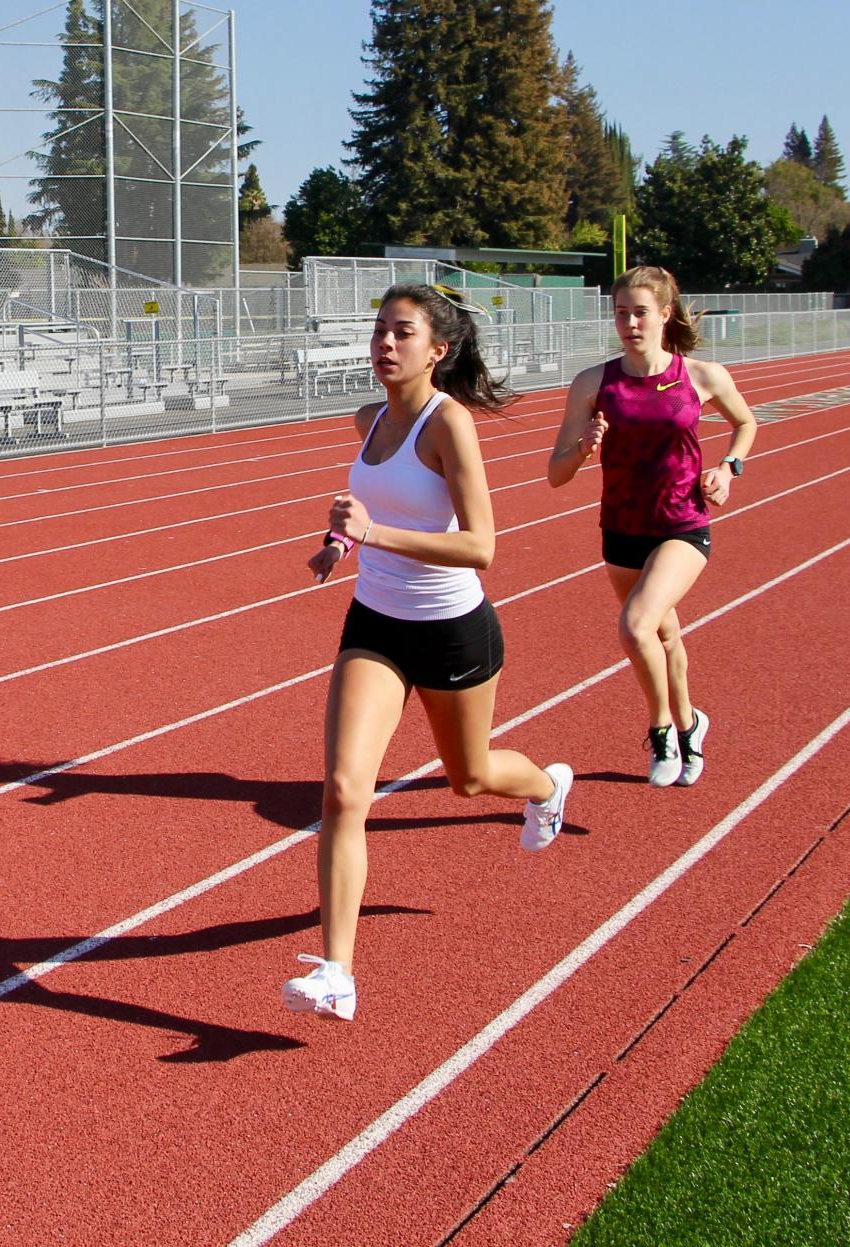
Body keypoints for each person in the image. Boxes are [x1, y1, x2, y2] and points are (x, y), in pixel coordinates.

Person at [283, 283, 573, 1023]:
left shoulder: (449, 426)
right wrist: (340, 543)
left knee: (469, 777)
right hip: (374, 623)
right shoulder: (367, 419)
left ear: (435, 351)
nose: (384, 342)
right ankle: (337, 971)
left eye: (401, 332)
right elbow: (377, 506)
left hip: (451, 629)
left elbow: (480, 546)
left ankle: (544, 786)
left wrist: (373, 533)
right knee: (345, 790)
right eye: (378, 329)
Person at [546, 265, 757, 787]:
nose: (629, 323)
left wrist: (729, 468)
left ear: (664, 315)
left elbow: (746, 422)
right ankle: (692, 723)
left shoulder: (702, 376)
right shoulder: (594, 383)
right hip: (621, 528)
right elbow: (556, 474)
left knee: (637, 624)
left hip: (683, 523)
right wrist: (583, 447)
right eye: (621, 313)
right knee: (663, 635)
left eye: (640, 312)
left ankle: (661, 729)